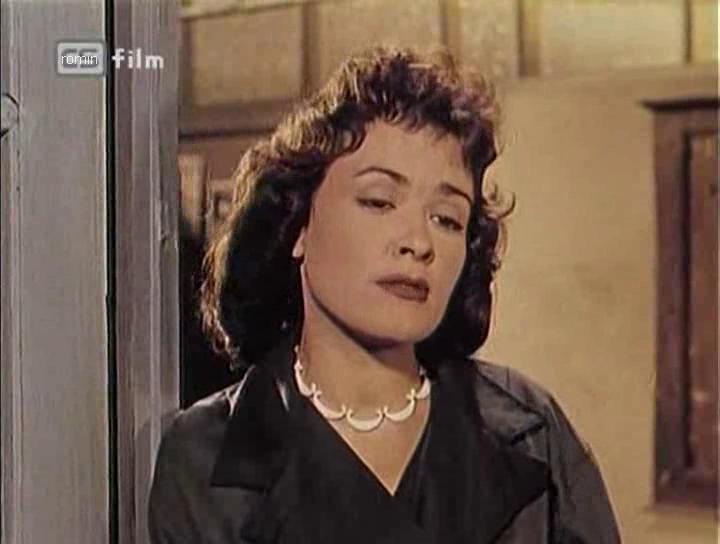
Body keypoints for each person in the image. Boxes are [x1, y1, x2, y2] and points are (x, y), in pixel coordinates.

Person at [148, 45, 621, 543]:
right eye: (379, 201)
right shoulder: (205, 455)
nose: (418, 242)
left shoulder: (529, 429)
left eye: (447, 219)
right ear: (298, 225)